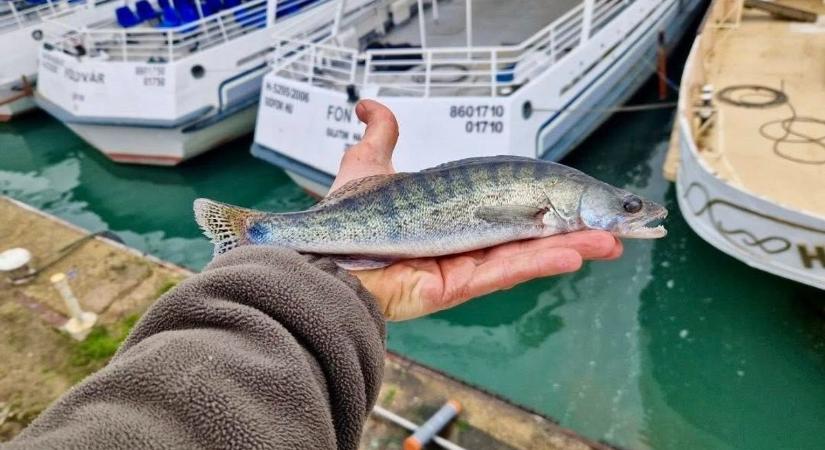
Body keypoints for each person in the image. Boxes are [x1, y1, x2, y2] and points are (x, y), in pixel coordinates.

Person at [2, 101, 622, 449]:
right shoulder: (553, 202)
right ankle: (254, 234)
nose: (634, 215)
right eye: (625, 209)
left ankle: (256, 239)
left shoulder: (557, 206)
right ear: (571, 205)